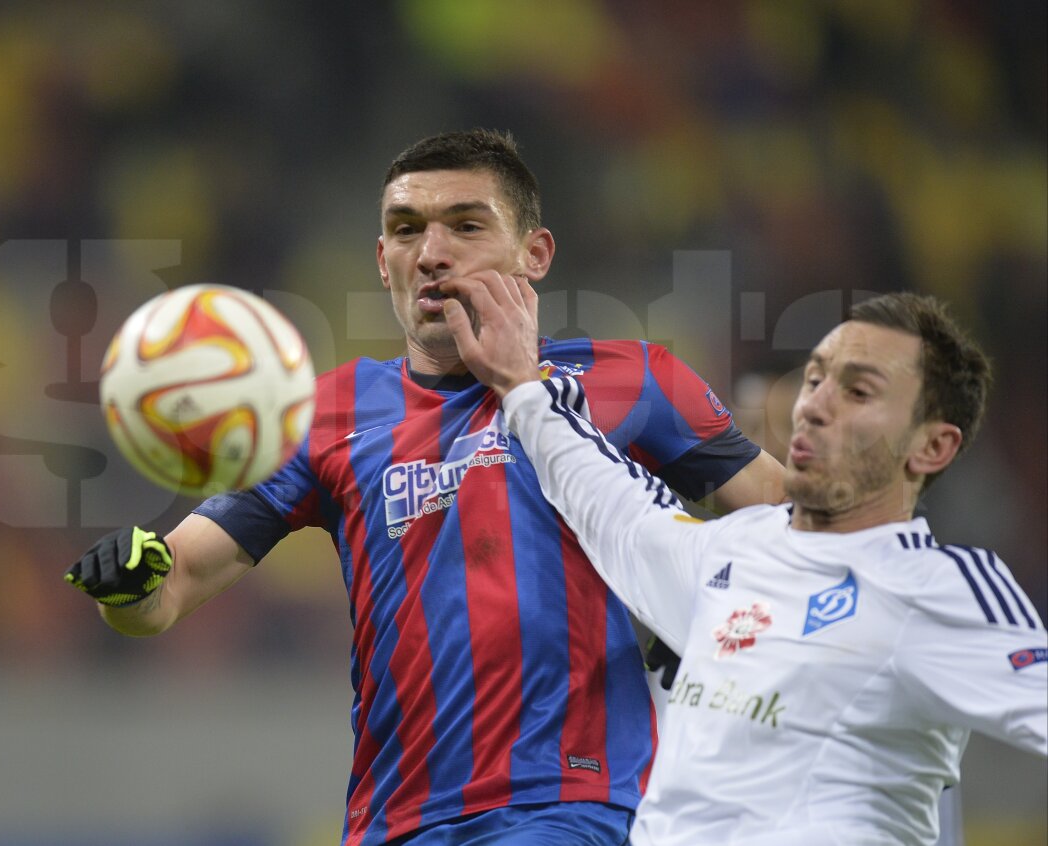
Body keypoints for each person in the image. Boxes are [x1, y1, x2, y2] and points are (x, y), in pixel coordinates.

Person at [65, 129, 783, 845]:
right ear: (384, 263)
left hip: (570, 806)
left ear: (535, 254)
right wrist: (129, 582)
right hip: (392, 820)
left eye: (466, 226)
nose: (432, 253)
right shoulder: (326, 414)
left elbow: (797, 528)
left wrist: (714, 616)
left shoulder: (632, 380)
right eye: (407, 230)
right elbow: (170, 588)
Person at [441, 276, 1047, 845]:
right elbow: (607, 498)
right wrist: (522, 386)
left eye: (858, 392)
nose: (812, 406)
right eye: (815, 380)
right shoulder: (728, 552)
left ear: (932, 445)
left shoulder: (938, 587)